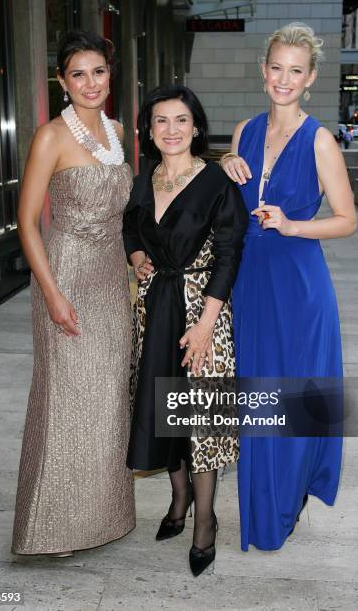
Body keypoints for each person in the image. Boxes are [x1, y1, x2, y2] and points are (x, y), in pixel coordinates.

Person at [221, 22, 356, 551]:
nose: (284, 78)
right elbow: (228, 212)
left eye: (295, 71)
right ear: (263, 70)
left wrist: (293, 224)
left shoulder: (320, 139)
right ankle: (267, 501)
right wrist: (224, 171)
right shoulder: (243, 132)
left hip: (300, 284)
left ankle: (288, 496)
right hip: (251, 280)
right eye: (276, 67)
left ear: (310, 78)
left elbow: (346, 219)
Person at [12, 31, 135, 556]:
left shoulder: (117, 132)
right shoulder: (50, 137)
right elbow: (26, 221)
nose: (90, 83)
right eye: (78, 73)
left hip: (111, 278)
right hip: (66, 274)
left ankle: (101, 518)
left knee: (108, 398)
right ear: (62, 81)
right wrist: (53, 294)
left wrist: (135, 259)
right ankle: (51, 528)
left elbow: (123, 212)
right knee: (67, 399)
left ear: (110, 76)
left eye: (99, 72)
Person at [123, 85, 248, 575]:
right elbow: (131, 230)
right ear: (148, 131)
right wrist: (137, 259)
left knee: (202, 418)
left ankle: (205, 523)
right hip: (156, 310)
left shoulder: (217, 181)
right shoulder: (142, 181)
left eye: (180, 120)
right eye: (160, 121)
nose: (171, 130)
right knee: (163, 407)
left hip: (202, 311)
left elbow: (229, 254)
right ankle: (178, 503)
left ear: (196, 127)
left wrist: (204, 327)